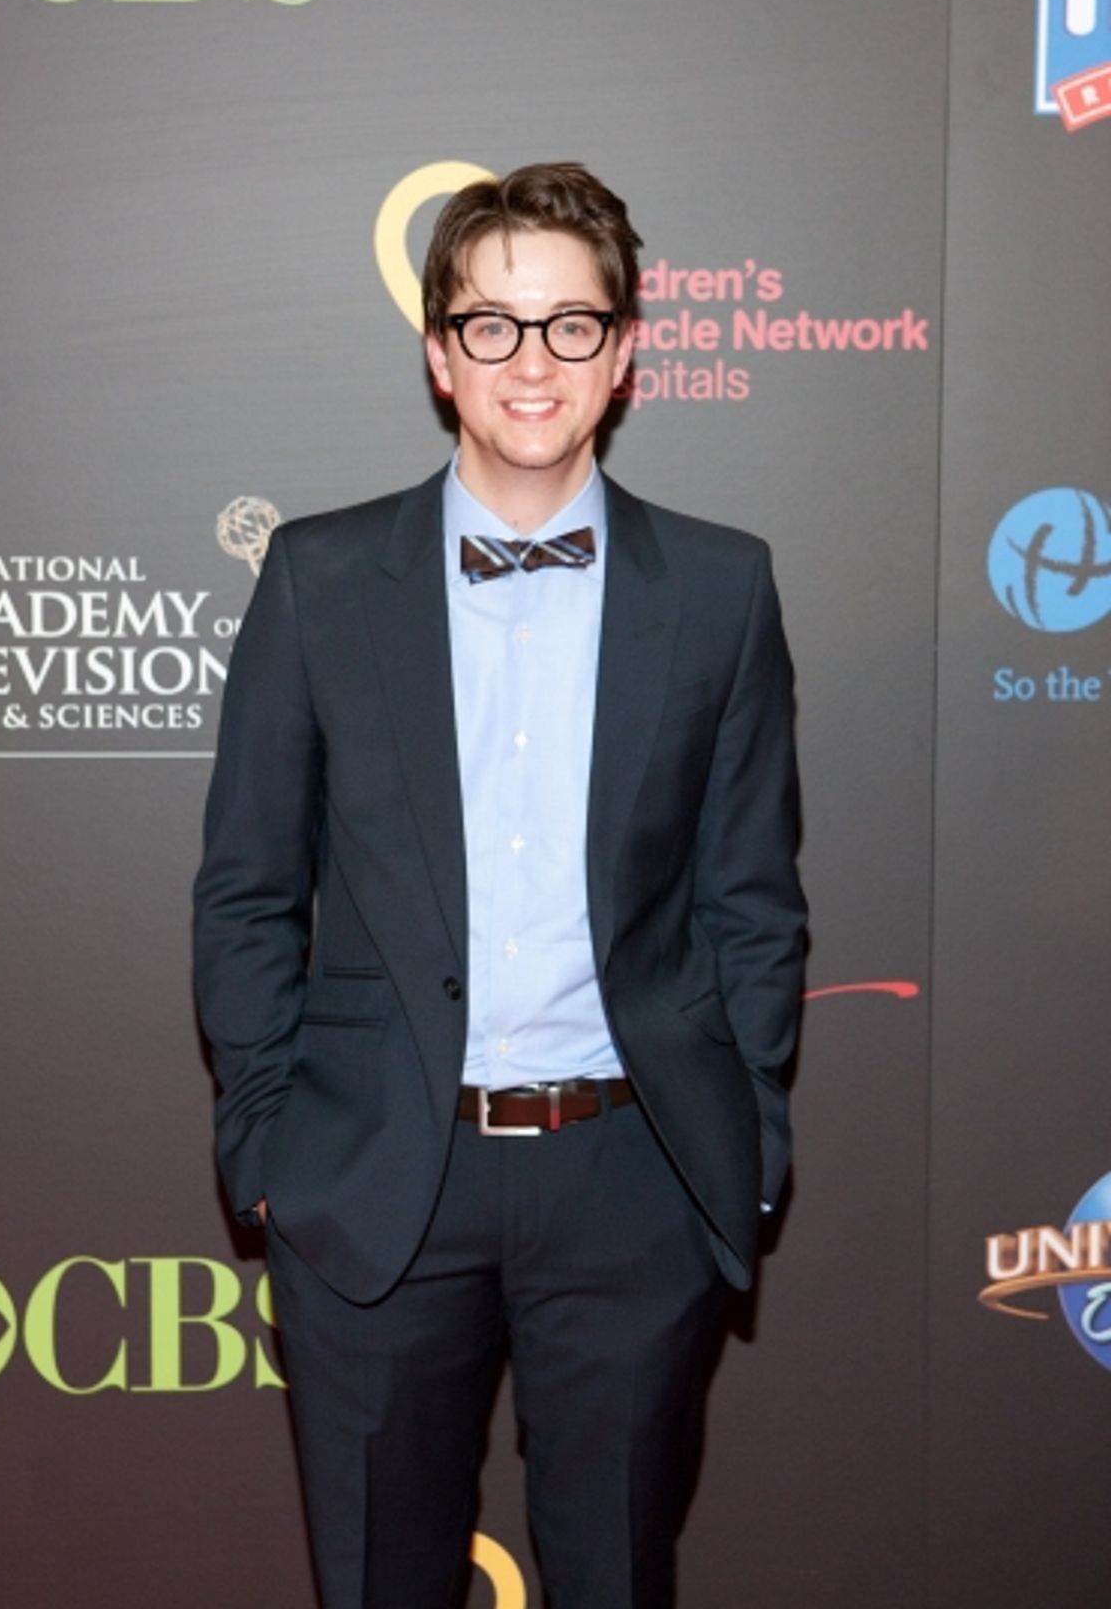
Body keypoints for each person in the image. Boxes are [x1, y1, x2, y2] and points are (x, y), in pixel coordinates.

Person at [193, 161, 806, 1609]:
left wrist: (745, 1132)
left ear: (628, 351)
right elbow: (247, 891)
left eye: (571, 326)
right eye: (492, 325)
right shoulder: (322, 579)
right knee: (377, 1584)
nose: (532, 361)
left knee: (614, 1578)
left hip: (635, 1178)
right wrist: (270, 1145)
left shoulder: (721, 590)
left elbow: (752, 901)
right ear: (438, 354)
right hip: (378, 1178)